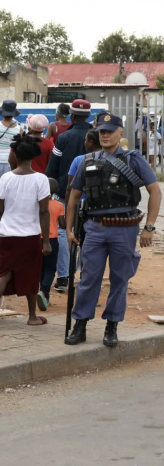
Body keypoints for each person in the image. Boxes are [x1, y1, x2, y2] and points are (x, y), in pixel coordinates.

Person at [65, 113, 161, 347]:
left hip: (124, 229)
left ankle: (112, 326)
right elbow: (74, 197)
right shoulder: (87, 160)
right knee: (88, 278)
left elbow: (155, 191)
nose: (105, 135)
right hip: (95, 229)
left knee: (120, 279)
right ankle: (81, 325)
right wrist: (68, 229)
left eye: (110, 131)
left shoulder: (132, 159)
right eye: (102, 131)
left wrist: (149, 227)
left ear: (121, 133)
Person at [0, 135, 52, 330]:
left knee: (5, 273)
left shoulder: (6, 178)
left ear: (15, 155)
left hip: (7, 236)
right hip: (30, 237)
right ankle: (32, 316)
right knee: (32, 275)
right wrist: (46, 241)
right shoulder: (41, 179)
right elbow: (44, 211)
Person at [47, 99, 93, 293]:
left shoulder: (63, 138)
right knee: (88, 235)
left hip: (65, 193)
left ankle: (64, 278)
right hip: (91, 195)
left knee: (64, 233)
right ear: (88, 116)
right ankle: (86, 278)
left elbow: (52, 169)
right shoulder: (96, 137)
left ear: (72, 116)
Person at [38, 178, 65, 309]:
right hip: (52, 240)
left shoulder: (37, 204)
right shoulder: (59, 205)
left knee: (41, 268)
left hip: (38, 239)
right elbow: (63, 225)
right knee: (50, 269)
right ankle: (43, 291)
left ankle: (44, 297)